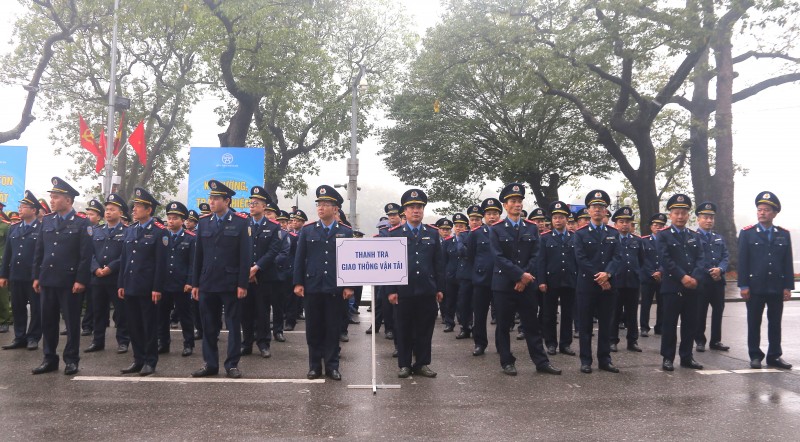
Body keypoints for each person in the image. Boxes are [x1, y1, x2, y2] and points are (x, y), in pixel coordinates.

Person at [490, 183, 561, 376]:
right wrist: (519, 275)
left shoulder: (531, 227)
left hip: (527, 284)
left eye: (519, 201)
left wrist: (524, 277)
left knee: (531, 325)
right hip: (504, 285)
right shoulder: (496, 229)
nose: (517, 204)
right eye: (513, 201)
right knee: (504, 326)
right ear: (505, 205)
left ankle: (541, 361)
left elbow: (536, 254)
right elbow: (498, 257)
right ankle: (507, 361)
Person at [191, 180, 252, 379]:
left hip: (230, 283)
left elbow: (245, 257)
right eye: (210, 198)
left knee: (233, 325)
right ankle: (210, 363)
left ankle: (232, 364)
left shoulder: (241, 222)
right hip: (208, 282)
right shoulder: (203, 223)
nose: (212, 202)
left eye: (216, 198)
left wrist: (243, 283)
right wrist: (195, 283)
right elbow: (198, 256)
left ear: (227, 201)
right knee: (209, 325)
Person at [31, 177, 93, 375]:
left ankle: (71, 359)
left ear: (68, 200)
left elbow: (86, 255)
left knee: (72, 322)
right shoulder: (47, 220)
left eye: (56, 197)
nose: (52, 200)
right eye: (51, 197)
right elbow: (39, 251)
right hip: (48, 279)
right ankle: (49, 358)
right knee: (47, 321)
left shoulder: (82, 223)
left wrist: (81, 279)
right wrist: (36, 276)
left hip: (70, 281)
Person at [293, 185, 354, 380]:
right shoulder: (308, 230)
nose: (321, 208)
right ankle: (314, 366)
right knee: (313, 328)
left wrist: (349, 285)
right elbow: (299, 259)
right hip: (312, 287)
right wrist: (298, 283)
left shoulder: (345, 232)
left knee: (333, 328)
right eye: (319, 204)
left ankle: (332, 366)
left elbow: (350, 261)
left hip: (335, 288)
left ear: (335, 209)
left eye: (326, 204)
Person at [386, 188, 444, 379]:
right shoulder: (394, 234)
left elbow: (439, 264)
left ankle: (422, 363)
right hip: (403, 291)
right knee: (402, 328)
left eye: (419, 207)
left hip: (426, 289)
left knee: (425, 329)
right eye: (411, 207)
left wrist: (440, 288)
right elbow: (388, 265)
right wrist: (391, 290)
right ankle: (404, 364)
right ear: (405, 211)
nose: (416, 210)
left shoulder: (433, 233)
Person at [738, 191, 793, 369]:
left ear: (775, 213)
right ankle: (755, 355)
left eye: (766, 210)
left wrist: (787, 286)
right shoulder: (747, 233)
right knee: (754, 322)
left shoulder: (783, 234)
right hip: (755, 287)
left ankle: (774, 355)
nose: (762, 213)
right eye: (760, 209)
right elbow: (743, 261)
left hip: (776, 286)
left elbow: (787, 262)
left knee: (775, 323)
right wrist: (744, 285)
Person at [117, 188, 166, 376]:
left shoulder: (159, 232)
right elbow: (124, 259)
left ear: (149, 210)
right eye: (134, 206)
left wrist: (157, 288)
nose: (134, 210)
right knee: (134, 325)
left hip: (147, 287)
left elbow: (160, 264)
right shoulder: (130, 230)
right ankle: (138, 359)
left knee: (149, 325)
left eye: (138, 207)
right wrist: (121, 283)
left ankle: (150, 361)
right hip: (130, 285)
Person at [656, 194, 706, 372]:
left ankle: (687, 356)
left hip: (692, 287)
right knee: (669, 324)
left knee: (690, 324)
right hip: (672, 286)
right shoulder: (663, 236)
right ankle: (667, 358)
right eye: (676, 213)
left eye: (683, 213)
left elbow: (701, 258)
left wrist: (695, 278)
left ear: (688, 215)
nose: (680, 216)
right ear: (670, 215)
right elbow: (665, 259)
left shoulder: (694, 236)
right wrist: (682, 277)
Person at [574, 190, 620, 374]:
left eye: (601, 207)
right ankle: (586, 360)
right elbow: (580, 258)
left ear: (606, 211)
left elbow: (618, 257)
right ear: (588, 210)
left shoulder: (613, 233)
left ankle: (605, 359)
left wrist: (607, 274)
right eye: (594, 207)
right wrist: (599, 276)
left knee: (606, 324)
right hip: (587, 285)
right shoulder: (580, 233)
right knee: (585, 324)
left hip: (608, 285)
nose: (598, 210)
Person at [85, 193, 130, 354]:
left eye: (112, 209)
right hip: (97, 277)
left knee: (121, 311)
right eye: (107, 209)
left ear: (120, 213)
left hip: (115, 278)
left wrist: (111, 267)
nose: (108, 212)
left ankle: (123, 341)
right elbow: (88, 253)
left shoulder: (127, 231)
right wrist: (95, 268)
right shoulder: (96, 231)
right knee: (98, 310)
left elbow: (126, 255)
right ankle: (98, 341)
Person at [242, 186, 282, 358]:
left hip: (264, 276)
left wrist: (256, 268)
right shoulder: (243, 224)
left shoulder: (274, 227)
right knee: (245, 311)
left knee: (263, 311)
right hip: (245, 276)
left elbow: (273, 251)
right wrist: (246, 270)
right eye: (251, 203)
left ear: (264, 206)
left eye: (256, 203)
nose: (252, 206)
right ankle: (246, 343)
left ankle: (264, 343)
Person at [0, 191, 42, 350]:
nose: (20, 209)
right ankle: (19, 337)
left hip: (33, 276)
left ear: (34, 210)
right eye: (20, 206)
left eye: (24, 207)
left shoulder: (42, 228)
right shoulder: (14, 228)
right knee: (17, 307)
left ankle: (33, 337)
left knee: (37, 309)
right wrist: (3, 274)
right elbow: (7, 253)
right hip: (16, 275)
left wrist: (39, 276)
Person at [537, 200, 577, 357]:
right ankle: (551, 343)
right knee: (549, 314)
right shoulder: (545, 238)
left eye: (561, 217)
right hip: (550, 281)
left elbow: (578, 260)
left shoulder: (574, 237)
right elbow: (541, 261)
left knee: (568, 314)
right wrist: (541, 281)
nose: (558, 220)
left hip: (570, 281)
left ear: (567, 219)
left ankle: (565, 344)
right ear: (551, 220)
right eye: (555, 218)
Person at [158, 201, 196, 357]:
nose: (171, 221)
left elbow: (193, 262)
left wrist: (190, 282)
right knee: (162, 315)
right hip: (164, 283)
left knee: (185, 316)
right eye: (169, 217)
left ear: (183, 220)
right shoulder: (161, 236)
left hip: (182, 284)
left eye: (174, 218)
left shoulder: (191, 238)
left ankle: (188, 344)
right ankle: (163, 343)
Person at [467, 198, 502, 357]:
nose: (492, 217)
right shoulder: (476, 234)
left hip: (501, 279)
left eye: (495, 213)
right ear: (484, 216)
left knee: (502, 315)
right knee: (480, 314)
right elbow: (470, 256)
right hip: (482, 279)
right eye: (488, 214)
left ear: (500, 214)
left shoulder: (504, 231)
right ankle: (480, 343)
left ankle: (502, 344)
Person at [694, 202, 730, 353]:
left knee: (718, 311)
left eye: (711, 218)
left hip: (718, 282)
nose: (709, 220)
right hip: (702, 281)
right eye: (705, 217)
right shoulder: (693, 238)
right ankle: (700, 340)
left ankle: (716, 340)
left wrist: (720, 269)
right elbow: (694, 259)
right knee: (700, 311)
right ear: (698, 219)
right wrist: (711, 271)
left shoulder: (718, 238)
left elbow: (726, 256)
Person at [609, 206, 642, 353]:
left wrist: (638, 273)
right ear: (615, 224)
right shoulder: (611, 240)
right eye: (621, 221)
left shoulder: (637, 241)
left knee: (632, 313)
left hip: (632, 282)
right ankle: (612, 340)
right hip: (616, 281)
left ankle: (632, 340)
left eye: (627, 222)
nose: (624, 224)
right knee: (614, 312)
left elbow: (642, 260)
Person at [640, 213, 666, 337]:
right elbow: (643, 259)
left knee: (662, 304)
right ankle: (644, 327)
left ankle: (660, 327)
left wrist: (660, 271)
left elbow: (667, 258)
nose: (658, 227)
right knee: (646, 303)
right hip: (647, 277)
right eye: (656, 225)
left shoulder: (666, 242)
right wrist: (652, 272)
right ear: (651, 227)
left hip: (662, 277)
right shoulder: (644, 241)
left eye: (661, 225)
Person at [439, 217, 458, 333]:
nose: (445, 231)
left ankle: (464, 322)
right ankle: (447, 320)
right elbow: (442, 261)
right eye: (443, 229)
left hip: (459, 275)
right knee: (447, 300)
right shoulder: (439, 242)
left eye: (447, 229)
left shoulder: (453, 241)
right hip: (447, 275)